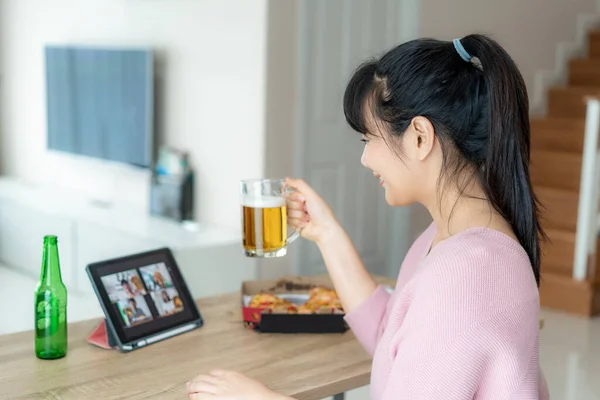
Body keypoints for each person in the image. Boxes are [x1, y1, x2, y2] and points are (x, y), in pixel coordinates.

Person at [186, 34, 550, 399]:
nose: (365, 159)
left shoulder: (464, 277)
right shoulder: (455, 239)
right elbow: (392, 341)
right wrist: (326, 233)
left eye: (368, 139)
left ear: (420, 137)